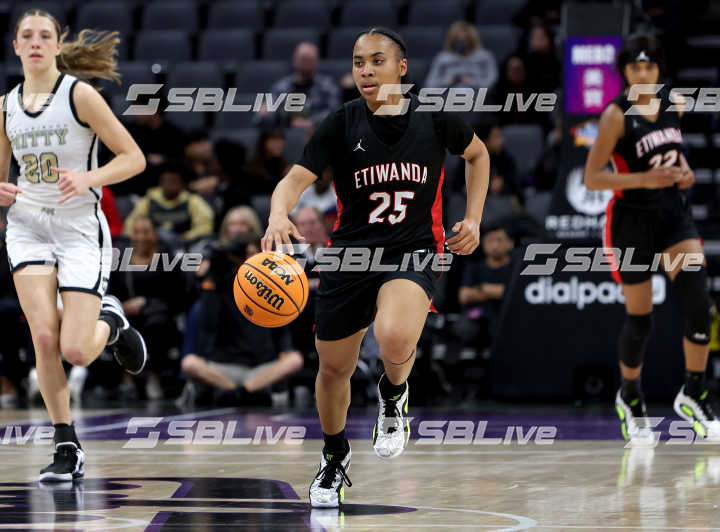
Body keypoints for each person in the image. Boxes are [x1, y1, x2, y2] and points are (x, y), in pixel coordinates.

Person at [262, 27, 489, 507]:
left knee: (394, 336)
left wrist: (473, 217)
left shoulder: (434, 115)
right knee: (333, 368)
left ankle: (395, 393)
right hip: (350, 255)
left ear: (401, 68)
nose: (365, 70)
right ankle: (334, 454)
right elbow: (294, 179)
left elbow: (478, 154)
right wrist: (278, 213)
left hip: (414, 250)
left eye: (377, 60)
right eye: (358, 62)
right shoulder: (341, 123)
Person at [0, 9, 147, 481]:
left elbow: (133, 158)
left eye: (46, 35)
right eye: (28, 35)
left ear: (58, 46)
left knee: (78, 350)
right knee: (43, 337)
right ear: (16, 47)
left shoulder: (79, 94)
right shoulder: (5, 106)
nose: (37, 41)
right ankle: (67, 444)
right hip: (27, 225)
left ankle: (112, 319)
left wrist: (89, 177)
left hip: (80, 225)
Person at [584, 34, 719, 445]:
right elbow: (593, 178)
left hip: (672, 215)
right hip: (631, 221)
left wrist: (685, 172)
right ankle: (630, 395)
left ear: (659, 69)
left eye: (649, 67)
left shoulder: (675, 103)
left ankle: (693, 391)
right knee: (641, 320)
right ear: (625, 72)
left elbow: (675, 156)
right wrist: (644, 178)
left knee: (700, 302)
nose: (643, 73)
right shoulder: (615, 115)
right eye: (635, 67)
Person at [180, 236, 303, 406]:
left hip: (260, 369)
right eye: (247, 255)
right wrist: (213, 272)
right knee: (189, 363)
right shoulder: (219, 285)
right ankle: (236, 390)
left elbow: (282, 332)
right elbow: (199, 303)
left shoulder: (273, 289)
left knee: (295, 359)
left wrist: (285, 349)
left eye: (254, 255)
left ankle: (244, 391)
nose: (250, 260)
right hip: (224, 368)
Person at [123, 159, 214, 248]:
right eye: (165, 181)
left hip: (184, 246)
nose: (169, 185)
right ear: (160, 182)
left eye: (173, 181)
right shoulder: (149, 200)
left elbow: (205, 227)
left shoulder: (193, 201)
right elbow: (130, 225)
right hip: (152, 246)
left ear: (183, 184)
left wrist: (184, 237)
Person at [257, 42, 340, 133]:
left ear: (316, 62)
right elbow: (262, 116)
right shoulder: (281, 87)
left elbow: (334, 113)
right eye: (303, 59)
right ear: (294, 60)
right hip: (285, 133)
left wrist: (311, 122)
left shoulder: (327, 86)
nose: (306, 63)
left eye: (310, 59)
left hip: (318, 134)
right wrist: (268, 112)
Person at [424, 21, 498, 91]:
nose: (462, 44)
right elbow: (429, 84)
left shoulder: (484, 56)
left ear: (472, 40)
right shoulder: (442, 57)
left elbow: (492, 81)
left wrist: (470, 81)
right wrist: (447, 82)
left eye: (465, 40)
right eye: (457, 40)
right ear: (451, 40)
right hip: (448, 94)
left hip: (477, 95)